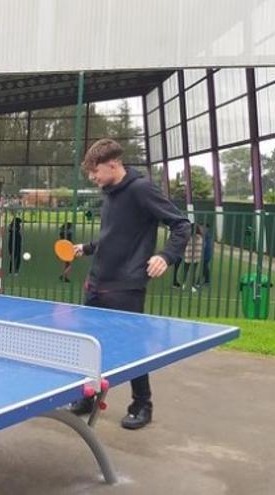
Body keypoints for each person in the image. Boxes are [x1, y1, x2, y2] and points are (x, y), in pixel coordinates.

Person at [71, 138, 190, 430]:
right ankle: (89, 397)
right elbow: (114, 234)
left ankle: (142, 404)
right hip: (97, 282)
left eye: (95, 171)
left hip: (126, 285)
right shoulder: (109, 192)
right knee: (92, 346)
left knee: (132, 346)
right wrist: (86, 248)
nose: (92, 177)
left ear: (113, 164)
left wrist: (166, 255)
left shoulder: (141, 189)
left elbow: (181, 224)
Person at [179, 224, 204, 292]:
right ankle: (192, 285)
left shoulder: (188, 237)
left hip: (188, 255)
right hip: (196, 256)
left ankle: (183, 284)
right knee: (193, 271)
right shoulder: (200, 237)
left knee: (186, 270)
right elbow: (201, 247)